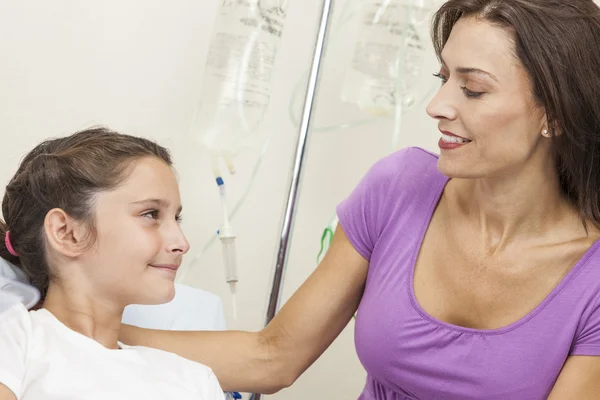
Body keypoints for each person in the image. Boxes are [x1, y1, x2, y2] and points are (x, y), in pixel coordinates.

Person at [119, 0, 600, 399]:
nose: (438, 106)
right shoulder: (399, 187)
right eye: (444, 78)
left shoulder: (591, 280)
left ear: (555, 114)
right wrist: (87, 329)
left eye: (472, 89)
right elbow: (273, 357)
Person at [0, 128, 225, 400]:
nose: (182, 242)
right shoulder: (16, 340)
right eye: (151, 214)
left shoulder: (194, 380)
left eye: (176, 218)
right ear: (67, 232)